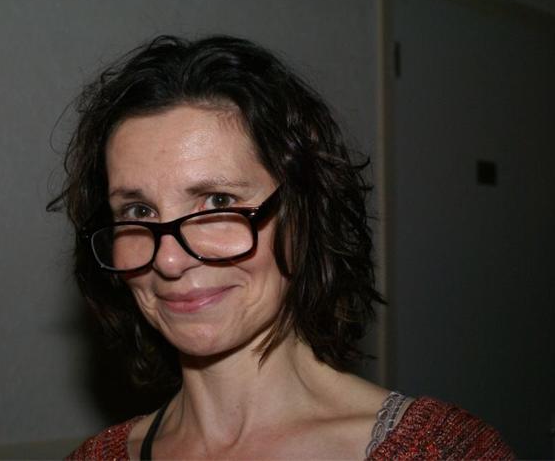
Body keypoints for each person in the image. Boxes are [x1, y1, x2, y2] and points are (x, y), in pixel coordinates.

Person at [52, 35, 513, 460]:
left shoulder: (445, 453)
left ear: (303, 212)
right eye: (137, 212)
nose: (169, 260)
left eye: (218, 202)